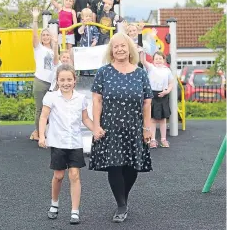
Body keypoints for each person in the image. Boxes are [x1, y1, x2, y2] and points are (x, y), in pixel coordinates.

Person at [89, 32, 153, 223]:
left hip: (134, 127)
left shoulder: (141, 73)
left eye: (123, 45)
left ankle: (122, 196)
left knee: (132, 167)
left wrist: (146, 129)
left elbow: (147, 103)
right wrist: (96, 126)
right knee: (115, 166)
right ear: (111, 51)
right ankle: (121, 205)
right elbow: (96, 100)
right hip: (111, 127)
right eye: (115, 46)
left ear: (129, 48)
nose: (119, 49)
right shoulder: (104, 72)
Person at [38, 64, 94, 224]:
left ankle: (75, 211)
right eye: (62, 80)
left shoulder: (81, 98)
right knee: (59, 175)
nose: (66, 83)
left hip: (75, 143)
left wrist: (96, 130)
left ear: (75, 81)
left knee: (75, 175)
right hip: (58, 142)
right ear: (57, 80)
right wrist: (42, 136)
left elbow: (85, 119)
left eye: (69, 79)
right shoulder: (51, 97)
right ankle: (54, 203)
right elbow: (43, 117)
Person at [30, 7, 57, 141]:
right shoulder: (38, 48)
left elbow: (57, 63)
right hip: (40, 81)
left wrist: (56, 46)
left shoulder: (53, 50)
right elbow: (34, 36)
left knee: (51, 110)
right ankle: (38, 133)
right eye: (44, 35)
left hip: (51, 84)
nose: (46, 37)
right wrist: (35, 19)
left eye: (48, 35)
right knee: (40, 109)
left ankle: (41, 131)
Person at [142, 51, 174, 148]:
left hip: (163, 95)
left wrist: (167, 91)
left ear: (164, 60)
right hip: (153, 95)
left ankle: (163, 139)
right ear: (153, 60)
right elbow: (143, 61)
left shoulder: (167, 70)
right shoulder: (151, 68)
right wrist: (141, 51)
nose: (158, 60)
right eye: (156, 59)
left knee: (163, 119)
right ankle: (153, 140)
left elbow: (171, 83)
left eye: (160, 58)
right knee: (152, 120)